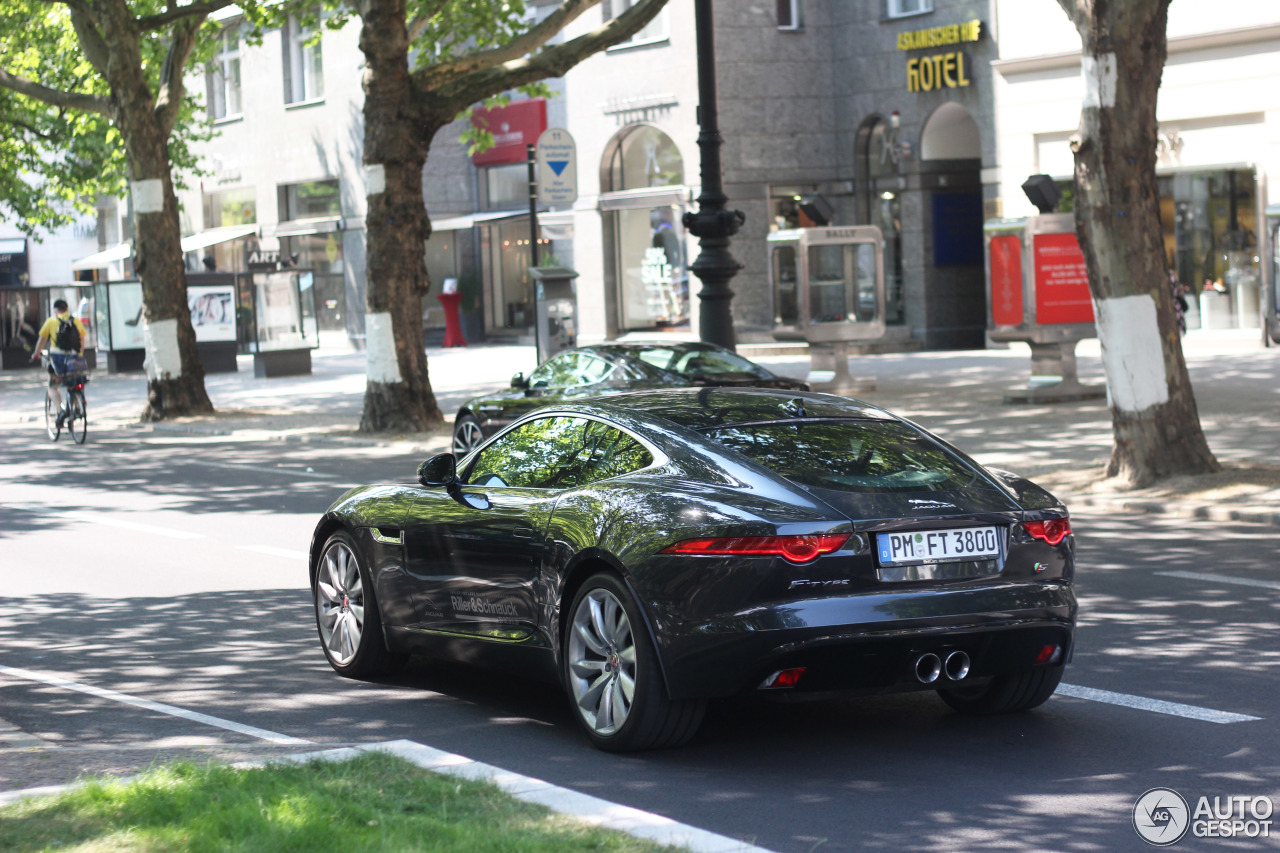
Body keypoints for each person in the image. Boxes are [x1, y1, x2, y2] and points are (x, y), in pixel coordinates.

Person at [30, 298, 87, 426]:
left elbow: (42, 341)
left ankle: (61, 410)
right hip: (74, 360)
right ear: (67, 309)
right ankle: (77, 407)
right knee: (73, 383)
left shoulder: (51, 321)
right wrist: (79, 355)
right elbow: (82, 339)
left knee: (52, 387)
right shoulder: (76, 321)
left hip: (58, 360)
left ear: (55, 311)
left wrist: (36, 354)